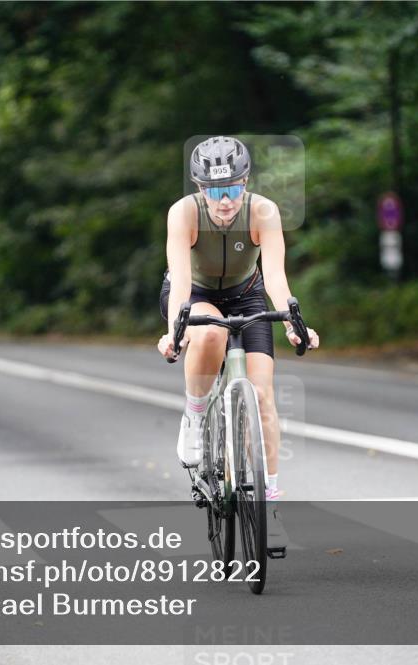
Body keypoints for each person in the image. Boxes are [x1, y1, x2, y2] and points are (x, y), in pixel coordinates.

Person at [157, 136, 320, 514]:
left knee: (263, 399)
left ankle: (270, 500)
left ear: (245, 183)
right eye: (215, 191)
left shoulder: (264, 212)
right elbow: (180, 278)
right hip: (194, 296)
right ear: (200, 188)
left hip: (247, 294)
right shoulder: (184, 213)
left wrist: (294, 323)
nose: (225, 200)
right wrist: (174, 332)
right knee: (211, 332)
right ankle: (195, 415)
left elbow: (275, 277)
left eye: (232, 188)